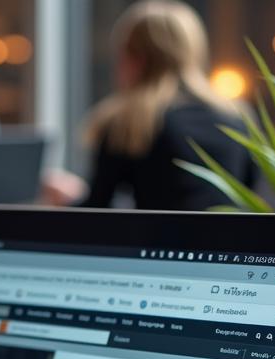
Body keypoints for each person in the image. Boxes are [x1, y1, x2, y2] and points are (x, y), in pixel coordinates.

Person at [45, 1, 256, 210]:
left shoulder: (129, 122)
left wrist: (69, 199)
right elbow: (250, 198)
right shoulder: (237, 117)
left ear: (135, 58)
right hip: (228, 244)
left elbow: (98, 211)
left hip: (158, 244)